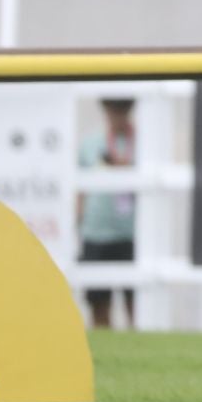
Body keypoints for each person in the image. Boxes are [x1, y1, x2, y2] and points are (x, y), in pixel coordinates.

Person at [77, 97, 138, 330]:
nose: (118, 114)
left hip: (130, 233)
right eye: (114, 108)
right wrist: (79, 223)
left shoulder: (142, 143)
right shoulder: (91, 144)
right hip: (96, 232)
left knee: (135, 304)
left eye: (123, 108)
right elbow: (80, 192)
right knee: (98, 305)